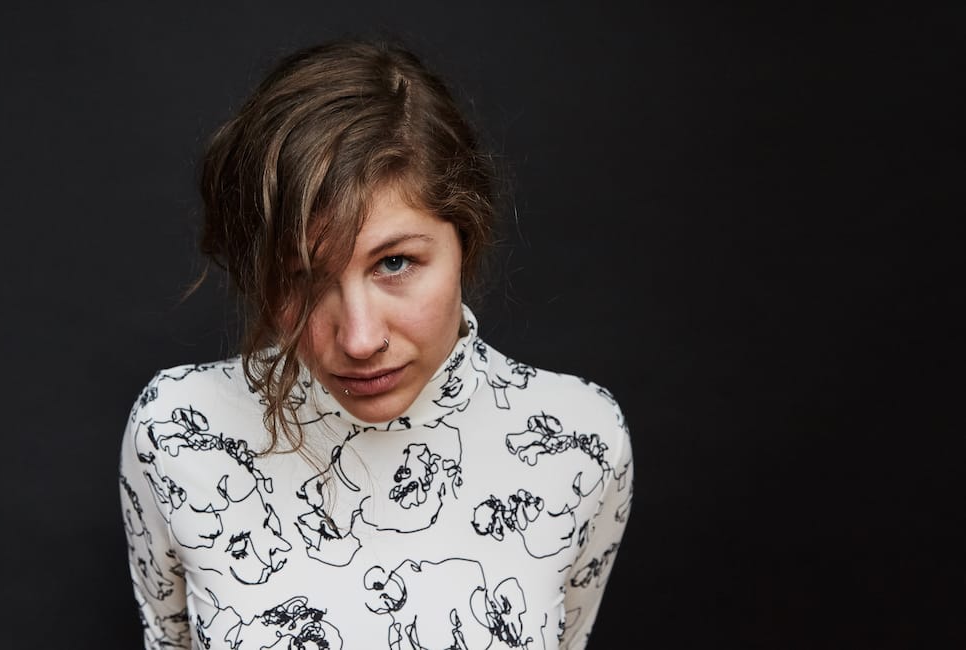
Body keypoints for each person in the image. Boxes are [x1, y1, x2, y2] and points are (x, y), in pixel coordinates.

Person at [118, 39, 633, 649]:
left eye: (394, 262)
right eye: (302, 277)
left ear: (465, 238)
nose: (359, 340)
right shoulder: (178, 430)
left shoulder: (580, 440)